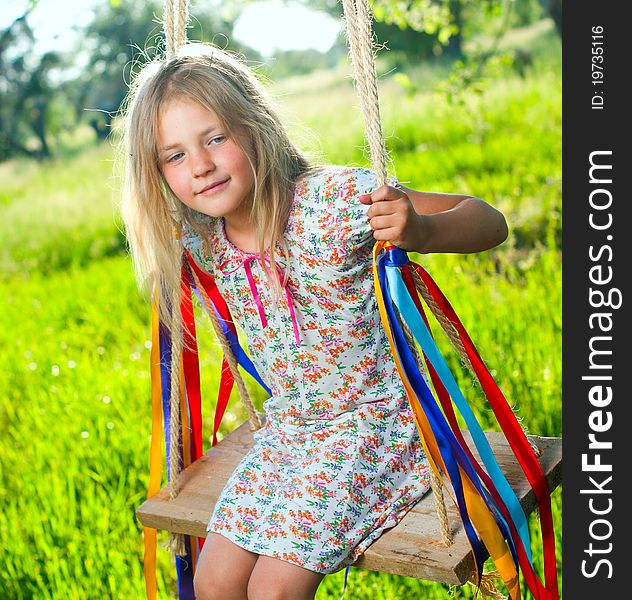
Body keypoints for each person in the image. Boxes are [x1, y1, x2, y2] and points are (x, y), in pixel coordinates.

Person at [119, 43, 508, 600]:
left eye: (215, 138)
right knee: (214, 581)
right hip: (290, 434)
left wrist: (421, 233)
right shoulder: (204, 240)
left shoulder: (332, 202)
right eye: (173, 156)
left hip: (377, 431)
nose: (199, 165)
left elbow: (488, 221)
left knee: (274, 590)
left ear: (256, 128)